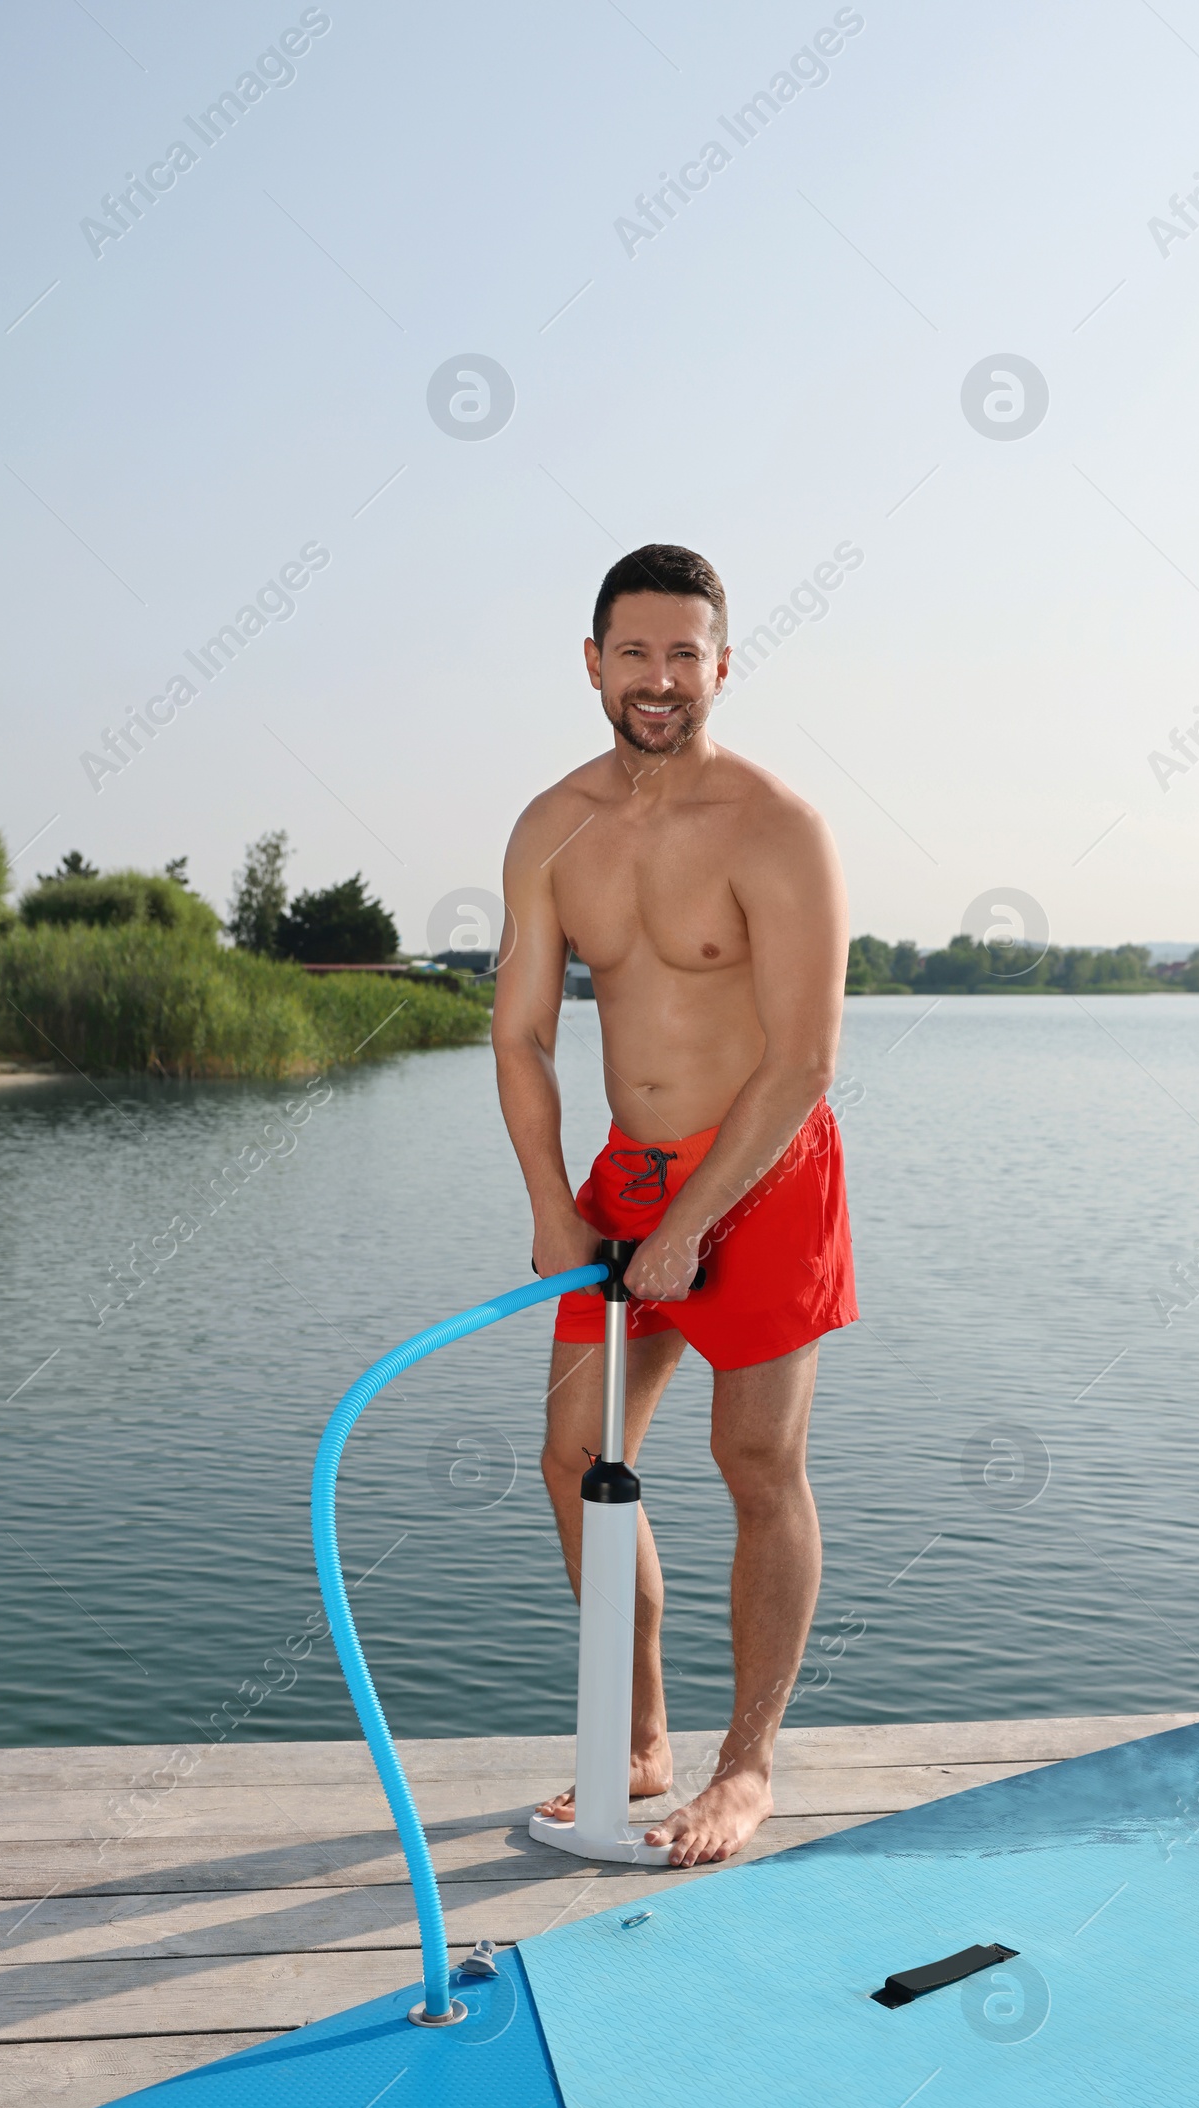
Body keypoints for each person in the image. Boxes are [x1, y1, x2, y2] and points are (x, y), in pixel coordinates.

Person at [492, 543, 856, 1866]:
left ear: (722, 666)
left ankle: (744, 1769)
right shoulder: (553, 827)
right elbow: (522, 1035)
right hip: (623, 1179)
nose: (660, 678)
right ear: (594, 664)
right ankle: (638, 1738)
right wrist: (553, 1201)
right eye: (634, 652)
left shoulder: (775, 826)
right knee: (574, 1456)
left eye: (684, 654)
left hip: (763, 1172)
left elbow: (805, 1056)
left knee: (756, 1466)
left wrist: (696, 1221)